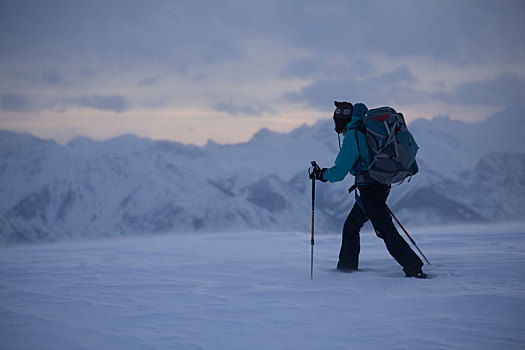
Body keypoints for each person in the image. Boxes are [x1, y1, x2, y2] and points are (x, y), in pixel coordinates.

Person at [310, 101, 427, 279]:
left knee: (384, 229)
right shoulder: (361, 128)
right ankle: (346, 270)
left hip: (370, 188)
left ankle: (413, 267)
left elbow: (340, 171)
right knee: (351, 227)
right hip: (377, 185)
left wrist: (322, 175)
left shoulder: (354, 134)